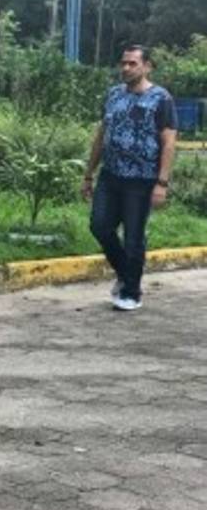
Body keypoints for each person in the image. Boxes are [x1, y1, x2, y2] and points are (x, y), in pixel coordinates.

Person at [82, 44, 177, 311]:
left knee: (134, 237)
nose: (126, 68)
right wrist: (88, 174)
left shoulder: (161, 99)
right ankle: (126, 274)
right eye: (123, 63)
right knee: (99, 226)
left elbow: (169, 142)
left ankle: (131, 293)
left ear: (147, 66)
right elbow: (102, 136)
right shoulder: (113, 95)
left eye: (133, 63)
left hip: (142, 179)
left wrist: (162, 182)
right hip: (110, 176)